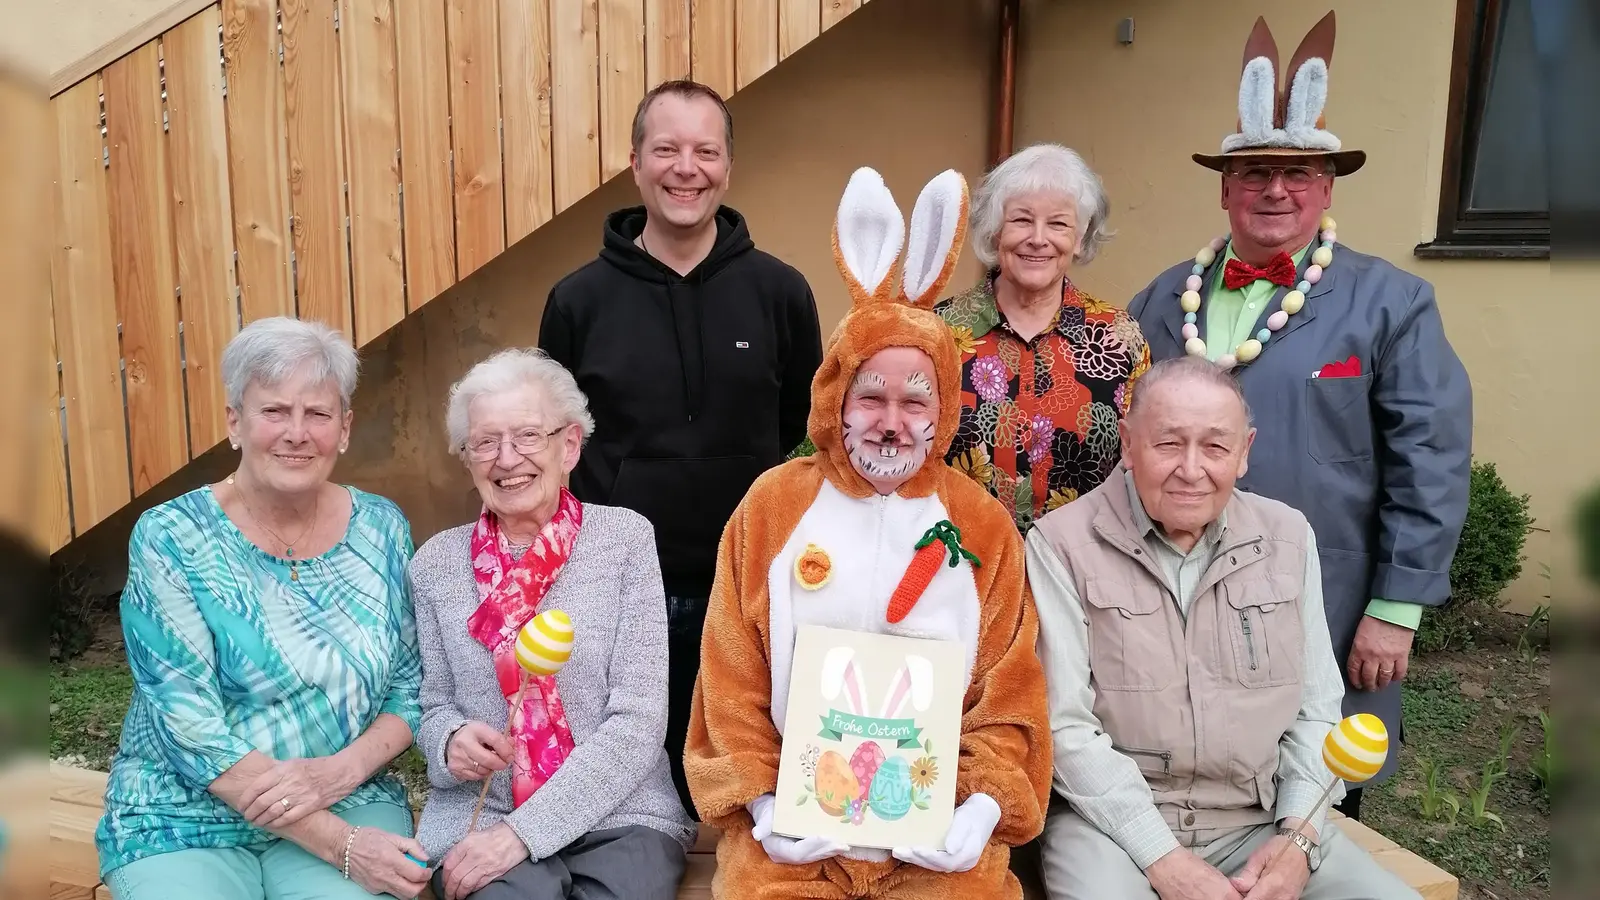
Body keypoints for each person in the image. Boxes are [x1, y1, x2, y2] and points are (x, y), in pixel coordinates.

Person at [1125, 10, 1472, 811]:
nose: (1274, 190)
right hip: (1173, 593)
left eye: (1298, 174)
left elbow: (1432, 456)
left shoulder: (1393, 303)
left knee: (1312, 795)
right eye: (1254, 173)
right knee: (1186, 777)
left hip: (1327, 601)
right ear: (1224, 188)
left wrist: (1396, 608)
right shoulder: (1162, 297)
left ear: (1327, 187)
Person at [684, 166, 1052, 899]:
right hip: (794, 833)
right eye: (870, 397)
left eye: (916, 403)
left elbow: (1008, 695)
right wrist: (761, 803)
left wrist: (979, 809)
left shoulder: (980, 523)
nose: (891, 423)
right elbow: (729, 683)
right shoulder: (772, 507)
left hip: (932, 824)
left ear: (945, 409)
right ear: (834, 399)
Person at [1028, 355, 1422, 900]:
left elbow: (1316, 708)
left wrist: (1299, 839)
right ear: (1127, 442)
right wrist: (1162, 858)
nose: (1191, 470)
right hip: (1113, 826)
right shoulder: (1061, 543)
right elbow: (1063, 725)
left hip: (1262, 817)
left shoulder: (1287, 537)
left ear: (1244, 453)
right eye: (1168, 443)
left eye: (1215, 447)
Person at [537, 79, 824, 817]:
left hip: (750, 591)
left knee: (743, 794)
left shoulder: (781, 293)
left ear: (728, 168)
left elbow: (805, 432)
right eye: (666, 149)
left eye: (705, 151)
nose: (684, 168)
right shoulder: (577, 302)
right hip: (623, 593)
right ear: (634, 162)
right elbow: (554, 449)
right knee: (633, 799)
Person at [95, 317, 430, 900]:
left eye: (318, 414)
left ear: (344, 428)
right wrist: (342, 845)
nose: (296, 433)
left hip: (347, 795)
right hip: (186, 813)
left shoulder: (382, 528)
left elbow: (409, 685)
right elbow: (191, 728)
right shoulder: (173, 537)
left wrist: (342, 772)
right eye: (274, 411)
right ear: (235, 422)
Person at [409, 348, 695, 900]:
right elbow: (433, 704)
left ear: (569, 445)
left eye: (527, 437)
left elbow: (638, 722)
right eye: (485, 442)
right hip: (486, 807)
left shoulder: (625, 542)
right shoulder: (435, 565)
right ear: (467, 459)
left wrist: (526, 832)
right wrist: (449, 742)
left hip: (619, 812)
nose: (506, 458)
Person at [935, 143, 1150, 535]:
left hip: (1083, 572)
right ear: (995, 230)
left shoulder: (1120, 337)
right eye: (1021, 220)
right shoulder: (939, 332)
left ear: (1081, 237)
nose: (1038, 238)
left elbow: (1141, 464)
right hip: (959, 569)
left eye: (1058, 224)